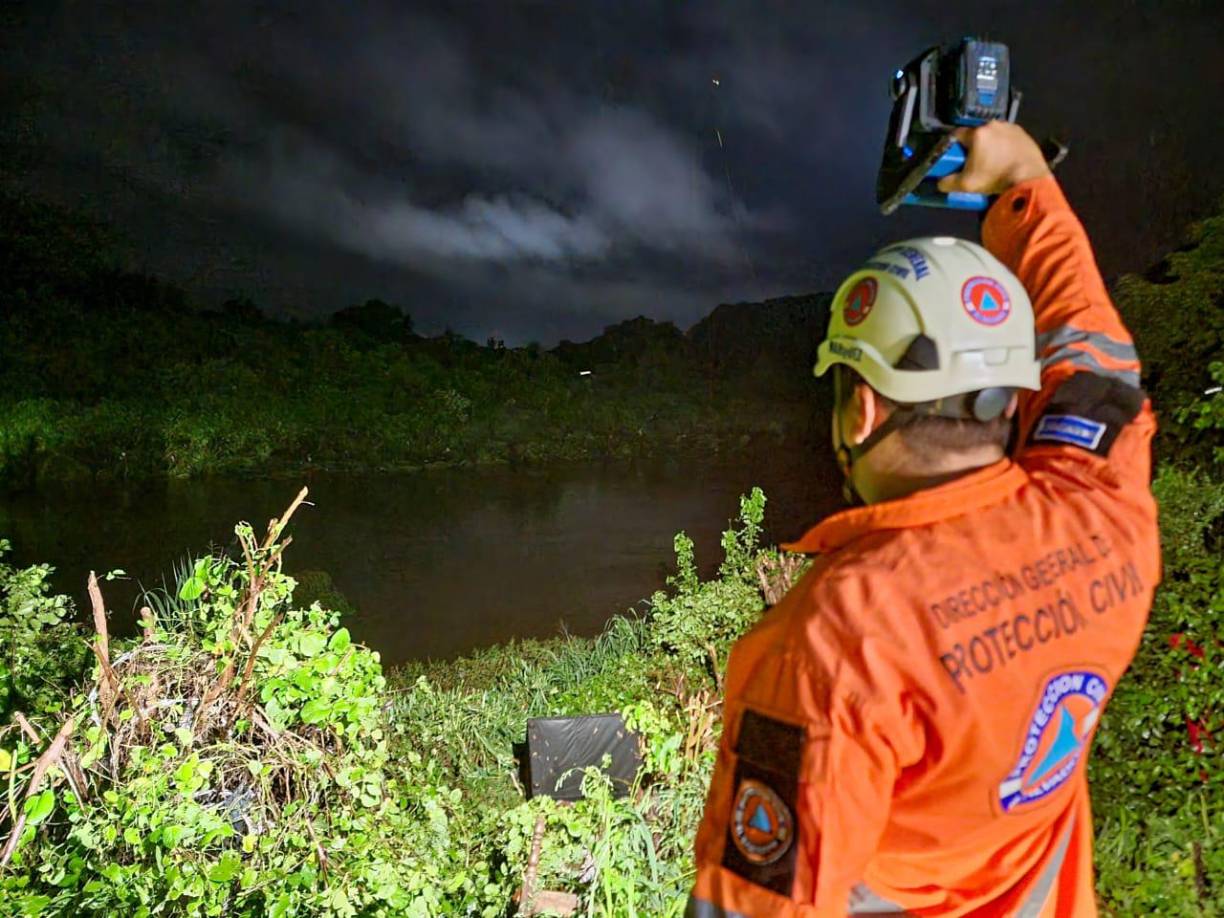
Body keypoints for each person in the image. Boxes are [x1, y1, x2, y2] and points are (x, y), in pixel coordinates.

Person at [686, 121, 1160, 917]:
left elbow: (758, 901)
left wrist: (1026, 180)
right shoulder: (1104, 509)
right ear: (1012, 398)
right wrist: (1026, 184)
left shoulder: (835, 643)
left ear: (862, 409)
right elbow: (1093, 357)